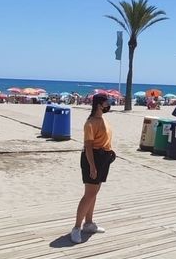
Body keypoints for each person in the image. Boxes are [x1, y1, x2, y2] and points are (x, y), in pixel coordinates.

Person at [71, 93, 115, 244]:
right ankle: (76, 228)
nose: (109, 104)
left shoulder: (103, 119)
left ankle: (88, 223)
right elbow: (88, 146)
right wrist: (92, 166)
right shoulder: (90, 122)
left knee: (94, 192)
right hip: (93, 158)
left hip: (104, 158)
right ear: (99, 104)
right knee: (89, 194)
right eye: (107, 102)